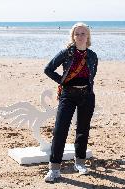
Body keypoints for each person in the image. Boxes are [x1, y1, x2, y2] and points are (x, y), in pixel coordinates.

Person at [44, 22, 98, 182]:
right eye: (77, 34)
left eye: (83, 34)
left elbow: (91, 76)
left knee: (83, 130)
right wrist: (62, 81)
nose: (80, 36)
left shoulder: (93, 56)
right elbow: (48, 69)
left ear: (88, 36)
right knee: (60, 131)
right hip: (68, 95)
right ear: (73, 37)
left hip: (87, 96)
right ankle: (54, 169)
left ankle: (79, 163)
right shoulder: (66, 53)